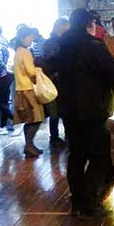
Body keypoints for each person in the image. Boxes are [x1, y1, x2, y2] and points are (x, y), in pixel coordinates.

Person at [55, 9, 114, 219]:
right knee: (100, 156)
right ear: (89, 24)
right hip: (92, 110)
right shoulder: (92, 46)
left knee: (76, 156)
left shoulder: (64, 45)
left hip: (69, 109)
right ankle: (90, 204)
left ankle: (77, 201)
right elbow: (113, 71)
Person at [12, 26, 45, 158]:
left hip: (20, 89)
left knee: (29, 120)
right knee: (35, 119)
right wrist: (39, 70)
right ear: (23, 38)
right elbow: (31, 71)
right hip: (28, 89)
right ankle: (29, 145)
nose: (31, 39)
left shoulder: (18, 51)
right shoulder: (25, 52)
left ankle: (29, 145)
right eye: (29, 37)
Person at [40, 18, 70, 147]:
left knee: (62, 111)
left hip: (60, 81)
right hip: (54, 82)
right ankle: (54, 137)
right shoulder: (52, 43)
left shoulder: (57, 42)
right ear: (60, 28)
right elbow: (48, 61)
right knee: (55, 112)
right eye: (66, 29)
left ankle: (63, 135)